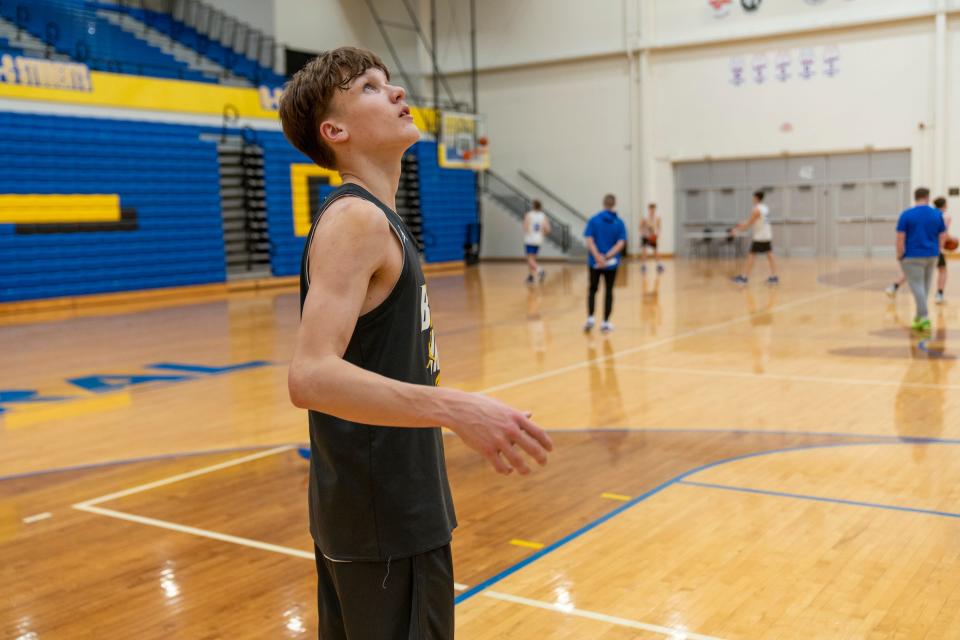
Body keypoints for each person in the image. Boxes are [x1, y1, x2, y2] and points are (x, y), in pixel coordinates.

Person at [278, 47, 553, 640]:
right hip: (385, 519)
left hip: (377, 514)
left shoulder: (377, 217)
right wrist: (456, 407)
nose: (398, 92)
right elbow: (310, 375)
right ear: (336, 130)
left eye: (389, 81)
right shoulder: (358, 220)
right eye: (372, 88)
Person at [896, 187, 946, 332]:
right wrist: (938, 251)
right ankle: (919, 316)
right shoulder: (937, 214)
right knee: (925, 287)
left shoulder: (906, 214)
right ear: (927, 197)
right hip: (932, 255)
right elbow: (942, 236)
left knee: (917, 287)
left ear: (915, 197)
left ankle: (924, 317)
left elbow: (900, 237)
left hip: (912, 255)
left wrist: (899, 254)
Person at [886, 196, 951, 303]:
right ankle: (939, 295)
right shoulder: (942, 217)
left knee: (913, 272)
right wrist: (951, 241)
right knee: (942, 271)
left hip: (917, 250)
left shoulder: (926, 214)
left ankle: (894, 286)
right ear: (944, 206)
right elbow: (943, 235)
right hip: (934, 250)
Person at [584, 194, 627, 332]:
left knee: (592, 289)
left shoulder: (594, 220)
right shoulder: (619, 223)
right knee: (608, 291)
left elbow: (589, 240)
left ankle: (590, 318)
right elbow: (621, 243)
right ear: (614, 204)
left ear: (603, 203)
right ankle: (605, 322)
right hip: (611, 264)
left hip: (594, 262)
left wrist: (597, 256)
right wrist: (607, 257)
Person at [730, 191, 779, 286]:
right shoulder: (765, 208)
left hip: (760, 237)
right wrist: (741, 224)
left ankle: (743, 278)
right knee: (770, 256)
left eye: (753, 197)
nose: (752, 199)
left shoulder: (757, 210)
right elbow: (753, 221)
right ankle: (774, 277)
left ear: (756, 198)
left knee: (751, 256)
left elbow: (748, 224)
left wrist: (736, 230)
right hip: (767, 235)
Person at [523, 199, 551, 284]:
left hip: (530, 239)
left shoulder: (529, 215)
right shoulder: (543, 216)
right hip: (538, 239)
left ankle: (540, 271)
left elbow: (525, 227)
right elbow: (548, 230)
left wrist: (530, 233)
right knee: (533, 259)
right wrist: (541, 233)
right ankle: (530, 277)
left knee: (530, 260)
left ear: (533, 206)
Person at [639, 202, 664, 273]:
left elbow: (659, 227)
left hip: (653, 236)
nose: (652, 210)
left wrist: (657, 235)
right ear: (648, 209)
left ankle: (659, 264)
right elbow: (640, 227)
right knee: (644, 250)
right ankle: (644, 265)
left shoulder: (657, 218)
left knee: (655, 251)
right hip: (645, 236)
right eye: (651, 209)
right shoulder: (644, 218)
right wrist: (644, 233)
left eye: (653, 209)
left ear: (655, 209)